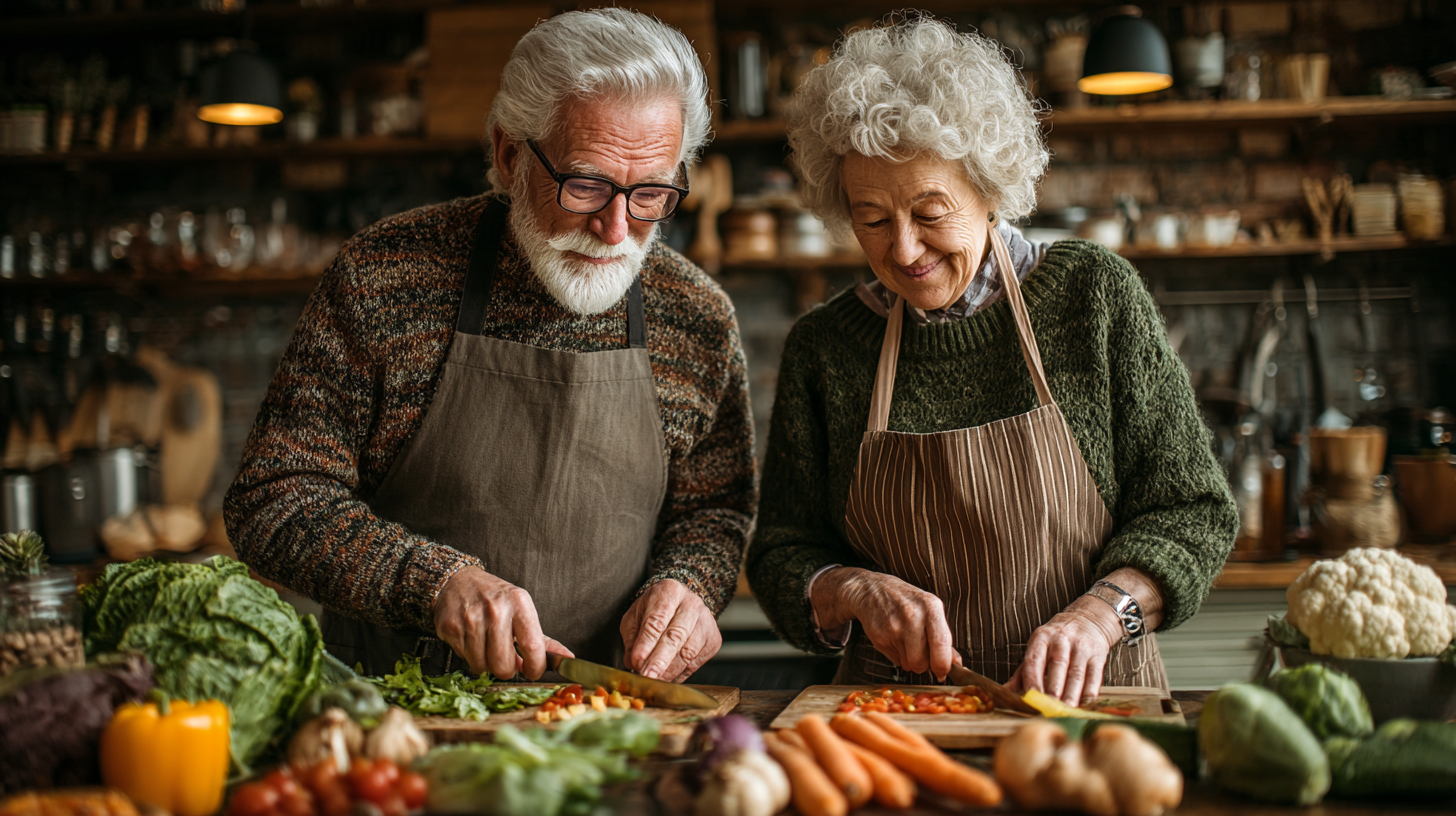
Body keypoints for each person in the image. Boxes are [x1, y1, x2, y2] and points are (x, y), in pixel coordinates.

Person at [225, 8, 756, 685]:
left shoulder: (697, 316)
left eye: (651, 192)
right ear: (510, 156)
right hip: (397, 722)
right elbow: (273, 498)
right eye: (586, 183)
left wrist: (690, 583)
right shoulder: (384, 277)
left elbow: (713, 509)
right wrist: (433, 583)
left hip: (609, 720)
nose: (617, 228)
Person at [747, 16, 1236, 703]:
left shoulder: (1090, 296)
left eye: (930, 210)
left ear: (990, 187)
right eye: (874, 219)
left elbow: (1193, 511)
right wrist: (848, 589)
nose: (907, 250)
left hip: (1088, 714)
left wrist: (1102, 617)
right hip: (897, 723)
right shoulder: (827, 349)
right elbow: (780, 556)